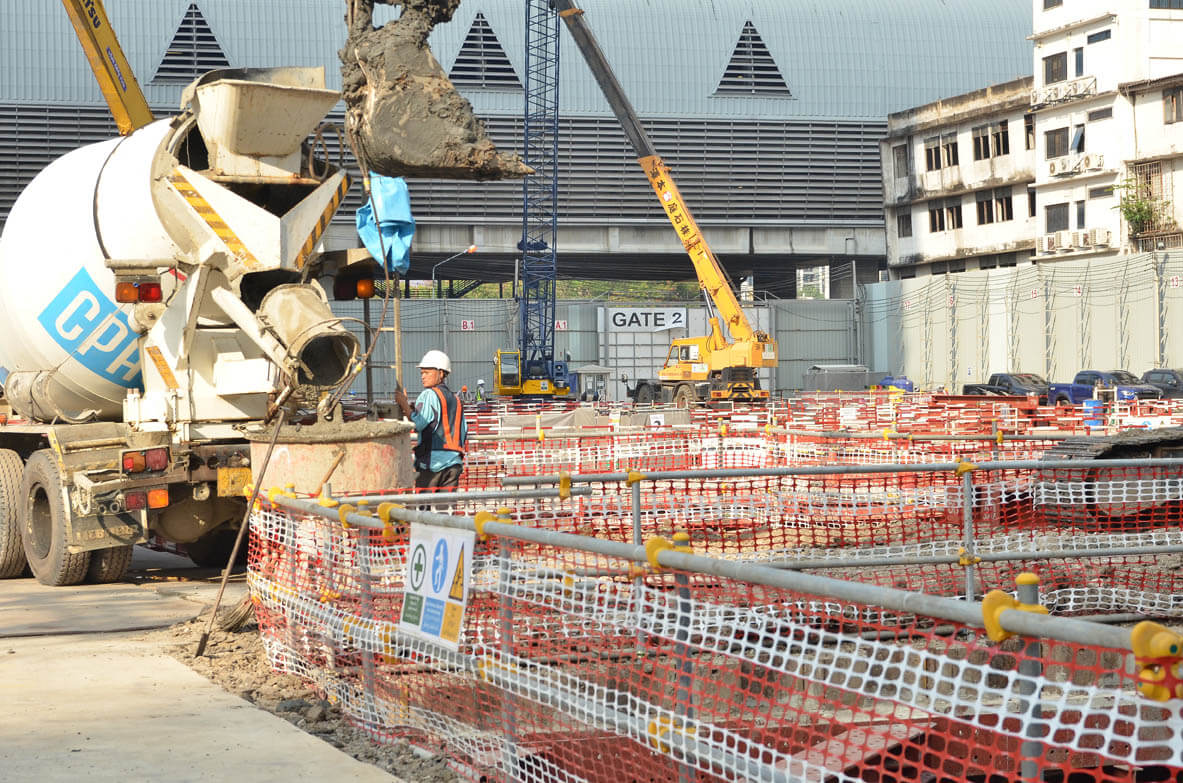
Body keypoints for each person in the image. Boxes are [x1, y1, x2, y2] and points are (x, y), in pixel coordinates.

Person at [394, 350, 468, 490]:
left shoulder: (428, 394)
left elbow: (419, 423)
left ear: (441, 374)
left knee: (425, 509)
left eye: (427, 372)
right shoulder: (456, 400)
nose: (423, 377)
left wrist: (404, 404)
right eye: (422, 373)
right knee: (446, 510)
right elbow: (463, 431)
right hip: (454, 464)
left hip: (431, 465)